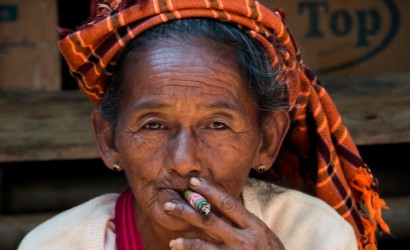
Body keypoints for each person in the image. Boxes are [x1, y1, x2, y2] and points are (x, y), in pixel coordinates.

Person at [18, 0, 390, 249]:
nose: (183, 161)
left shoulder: (313, 234)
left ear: (268, 140)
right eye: (153, 126)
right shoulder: (56, 244)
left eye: (216, 125)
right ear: (109, 140)